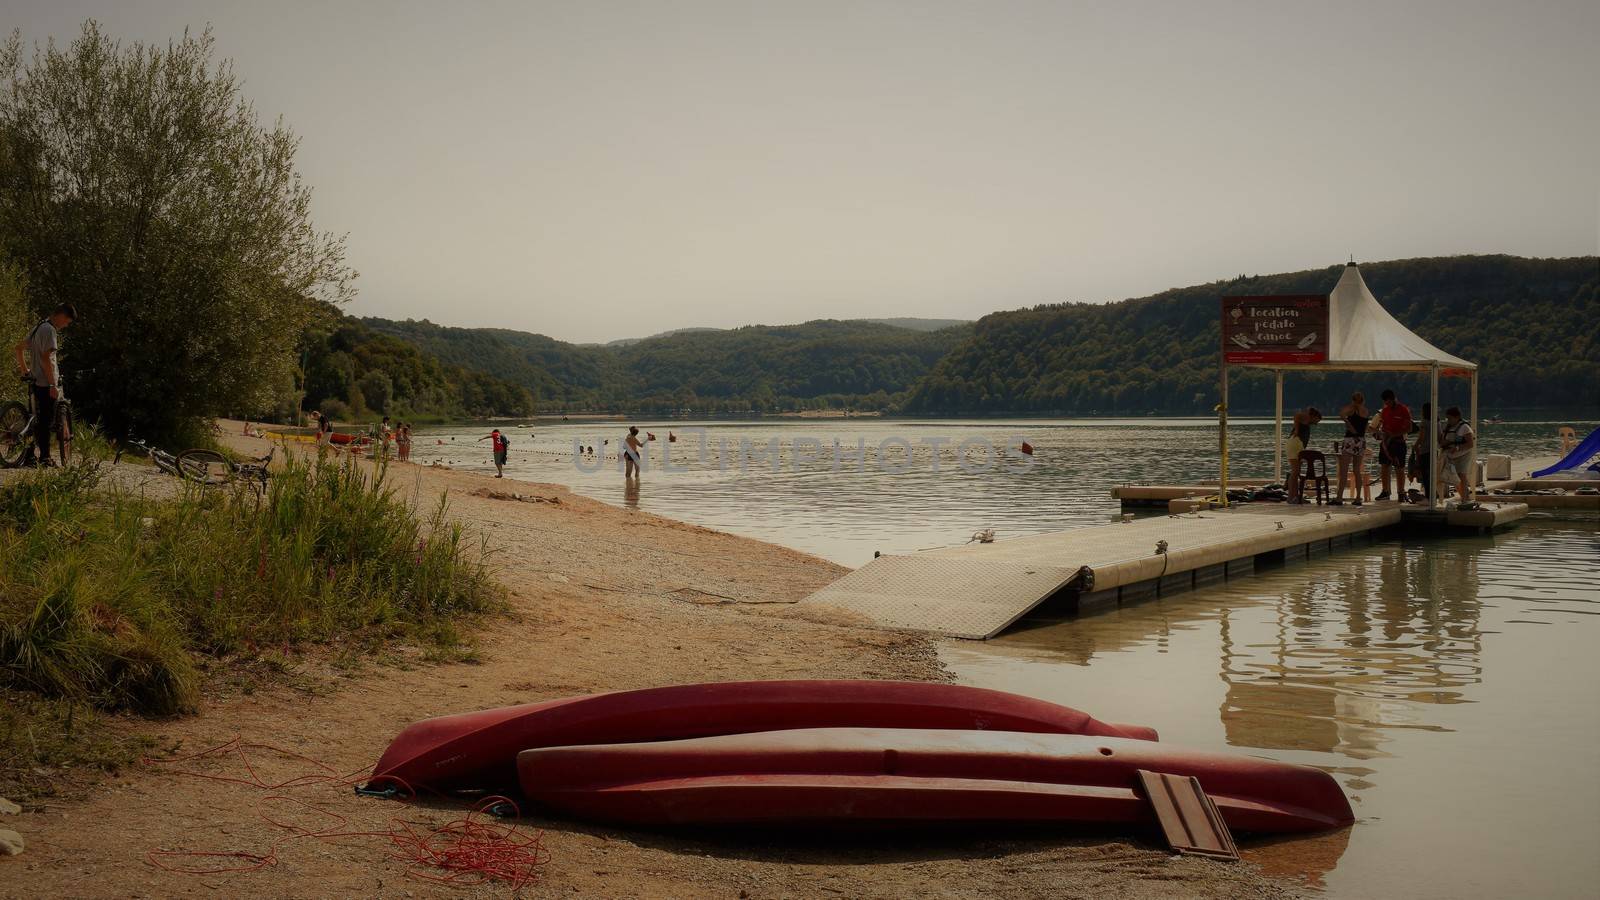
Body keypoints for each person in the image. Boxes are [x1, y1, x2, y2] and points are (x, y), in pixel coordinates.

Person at [12, 303, 78, 467]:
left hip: (34, 379)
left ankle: (29, 456)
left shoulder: (38, 327)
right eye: (67, 322)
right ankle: (45, 458)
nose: (66, 325)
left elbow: (19, 348)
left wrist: (24, 370)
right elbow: (46, 358)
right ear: (62, 315)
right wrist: (52, 385)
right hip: (45, 382)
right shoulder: (50, 330)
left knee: (34, 419)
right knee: (45, 422)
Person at [1375, 389, 1413, 502]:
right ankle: (1385, 491)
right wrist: (1381, 434)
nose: (1387, 404)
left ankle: (1401, 492)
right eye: (1385, 402)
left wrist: (1395, 434)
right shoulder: (1385, 410)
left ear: (1393, 399)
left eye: (1388, 402)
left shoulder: (1403, 410)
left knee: (1399, 468)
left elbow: (1409, 429)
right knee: (1384, 466)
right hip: (1386, 443)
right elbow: (1382, 426)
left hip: (1399, 442)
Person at [1333, 392, 1370, 506]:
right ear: (1363, 401)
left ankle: (1339, 498)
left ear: (1353, 400)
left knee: (1343, 471)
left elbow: (1341, 414)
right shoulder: (1366, 411)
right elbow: (1365, 427)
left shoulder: (1352, 409)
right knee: (1357, 471)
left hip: (1350, 440)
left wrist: (1347, 422)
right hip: (1361, 441)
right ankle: (1358, 498)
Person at [1285, 406, 1323, 503]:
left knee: (1296, 472)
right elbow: (1297, 416)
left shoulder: (1307, 421)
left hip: (1297, 445)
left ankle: (1296, 497)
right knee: (1295, 472)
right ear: (1313, 416)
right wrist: (1297, 429)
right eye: (1317, 420)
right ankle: (1290, 497)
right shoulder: (1306, 418)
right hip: (1295, 444)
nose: (1317, 423)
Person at [1440, 406, 1475, 503]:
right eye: (1447, 418)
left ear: (1457, 417)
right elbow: (1444, 441)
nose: (1449, 420)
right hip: (1451, 456)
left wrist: (1458, 448)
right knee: (1454, 478)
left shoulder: (1465, 427)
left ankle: (1465, 499)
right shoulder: (1448, 427)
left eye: (1450, 418)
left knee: (1461, 475)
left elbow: (1470, 444)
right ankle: (1464, 495)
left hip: (1463, 454)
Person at [1408, 403, 1432, 502]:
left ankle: (1428, 497)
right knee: (1431, 474)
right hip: (1434, 450)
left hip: (1425, 450)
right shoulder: (1437, 422)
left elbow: (1421, 437)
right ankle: (1432, 495)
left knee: (1425, 475)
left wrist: (1415, 445)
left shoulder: (1424, 422)